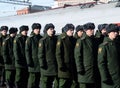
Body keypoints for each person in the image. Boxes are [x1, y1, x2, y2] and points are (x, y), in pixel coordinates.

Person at [74, 22, 100, 88]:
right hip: (84, 71)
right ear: (85, 30)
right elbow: (77, 56)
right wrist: (80, 69)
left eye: (93, 29)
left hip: (93, 71)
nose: (92, 31)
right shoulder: (81, 41)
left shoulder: (95, 41)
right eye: (90, 29)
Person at [98, 24, 120, 88]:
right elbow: (101, 63)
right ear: (108, 33)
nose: (116, 33)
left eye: (116, 31)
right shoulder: (104, 46)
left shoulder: (117, 44)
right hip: (110, 78)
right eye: (113, 32)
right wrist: (104, 77)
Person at [56, 23, 78, 88]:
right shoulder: (62, 39)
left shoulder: (73, 39)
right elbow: (58, 53)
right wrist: (61, 65)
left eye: (73, 30)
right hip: (64, 66)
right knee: (63, 84)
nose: (72, 31)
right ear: (66, 30)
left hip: (71, 65)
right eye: (71, 30)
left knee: (71, 83)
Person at [38, 23, 58, 88]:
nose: (52, 30)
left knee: (52, 83)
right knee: (45, 83)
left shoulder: (55, 39)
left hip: (54, 65)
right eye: (50, 29)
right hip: (46, 66)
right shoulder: (43, 41)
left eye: (53, 29)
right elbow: (41, 54)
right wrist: (42, 64)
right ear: (47, 30)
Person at [25, 23, 42, 88]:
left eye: (39, 29)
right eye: (36, 29)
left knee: (37, 80)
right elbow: (27, 51)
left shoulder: (41, 38)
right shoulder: (30, 39)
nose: (38, 30)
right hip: (33, 63)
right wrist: (29, 61)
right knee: (32, 80)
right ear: (33, 30)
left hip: (39, 62)